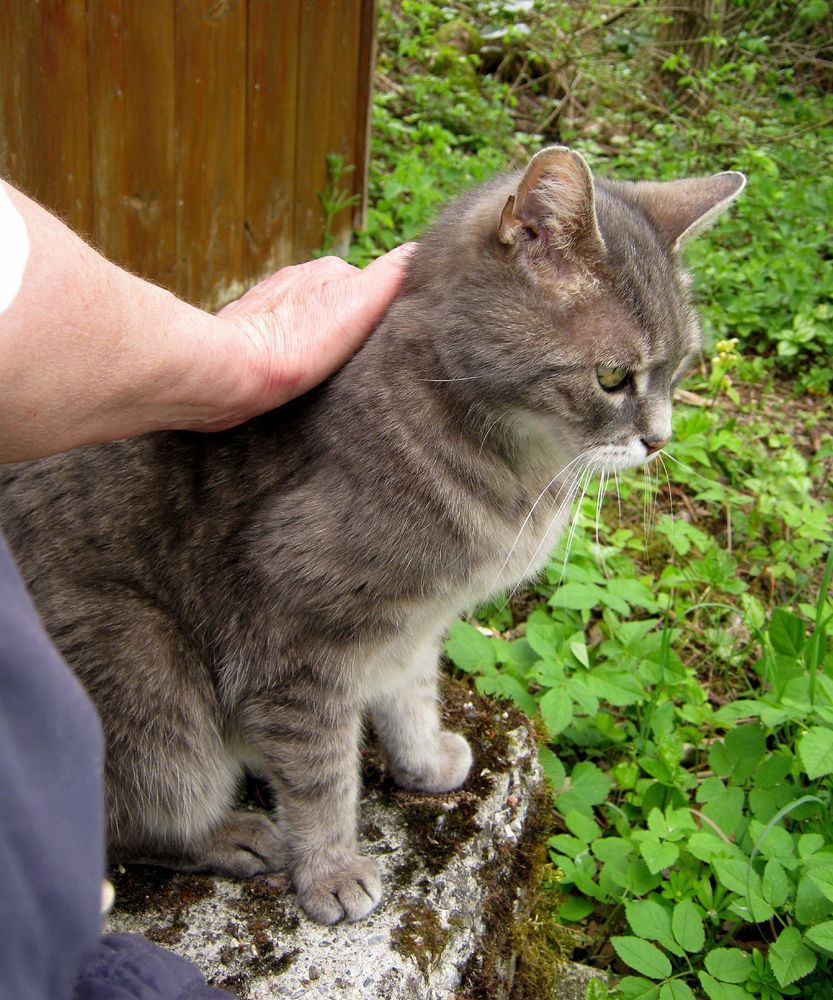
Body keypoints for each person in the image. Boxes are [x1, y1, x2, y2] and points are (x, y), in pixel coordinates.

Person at [0, 179, 411, 999]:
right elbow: (298, 656)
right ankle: (148, 831)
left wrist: (239, 361)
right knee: (170, 778)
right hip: (126, 625)